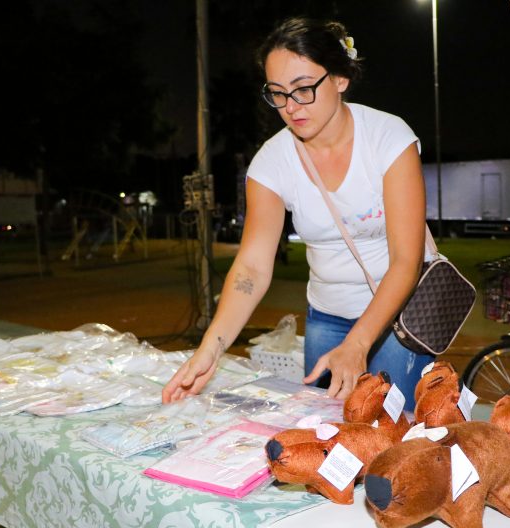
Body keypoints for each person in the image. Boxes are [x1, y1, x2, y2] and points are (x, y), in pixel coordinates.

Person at [163, 17, 433, 410]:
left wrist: (358, 343)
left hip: (399, 318)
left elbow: (406, 261)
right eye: (277, 94)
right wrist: (211, 348)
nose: (290, 107)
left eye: (304, 89)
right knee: (323, 437)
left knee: (395, 439)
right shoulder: (271, 163)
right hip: (327, 316)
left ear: (340, 78)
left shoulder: (389, 139)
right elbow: (252, 267)